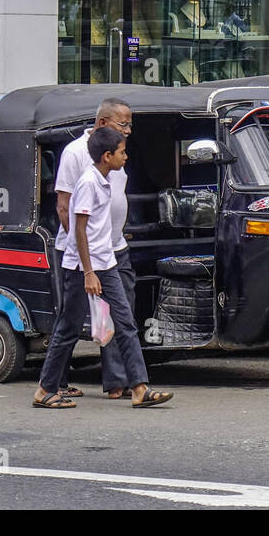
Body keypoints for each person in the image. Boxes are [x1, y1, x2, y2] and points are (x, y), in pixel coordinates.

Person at [33, 126, 172, 410]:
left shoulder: (106, 180)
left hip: (106, 262)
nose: (126, 156)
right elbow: (80, 232)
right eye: (122, 152)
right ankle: (45, 389)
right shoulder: (88, 183)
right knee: (69, 327)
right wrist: (88, 273)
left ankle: (139, 388)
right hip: (81, 266)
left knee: (125, 323)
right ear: (107, 156)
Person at [53, 98, 137, 400]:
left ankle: (121, 381)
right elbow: (65, 209)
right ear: (102, 123)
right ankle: (53, 383)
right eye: (122, 124)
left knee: (122, 312)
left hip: (114, 248)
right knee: (71, 320)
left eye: (129, 125)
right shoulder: (76, 154)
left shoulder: (117, 156)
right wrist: (82, 255)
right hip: (83, 256)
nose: (127, 131)